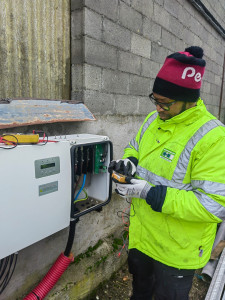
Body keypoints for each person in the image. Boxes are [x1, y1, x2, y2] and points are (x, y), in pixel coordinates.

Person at [108, 46, 225, 300]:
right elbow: (135, 146)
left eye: (165, 103)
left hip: (177, 253)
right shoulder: (153, 120)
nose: (158, 108)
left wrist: (150, 193)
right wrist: (129, 162)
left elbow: (213, 205)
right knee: (140, 293)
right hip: (143, 238)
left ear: (189, 100)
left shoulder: (214, 138)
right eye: (155, 99)